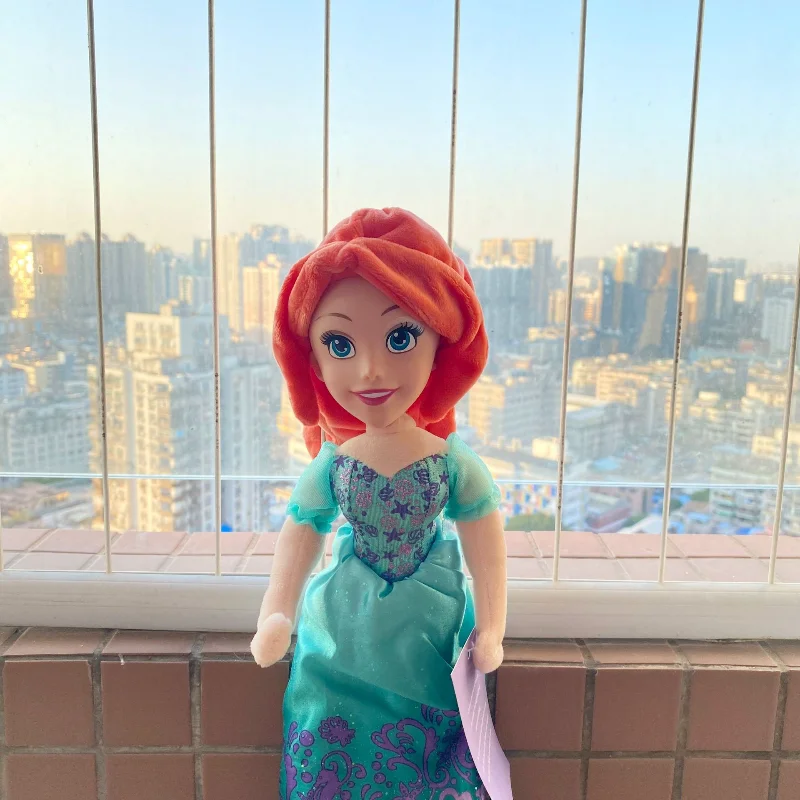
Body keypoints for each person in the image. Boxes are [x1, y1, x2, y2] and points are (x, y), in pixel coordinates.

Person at [251, 207, 507, 800]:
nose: (369, 370)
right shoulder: (334, 463)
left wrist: (493, 627)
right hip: (344, 622)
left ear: (441, 345)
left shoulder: (451, 462)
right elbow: (302, 530)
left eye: (400, 338)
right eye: (339, 344)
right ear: (312, 360)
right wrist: (276, 612)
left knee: (432, 750)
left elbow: (484, 537)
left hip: (430, 627)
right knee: (333, 740)